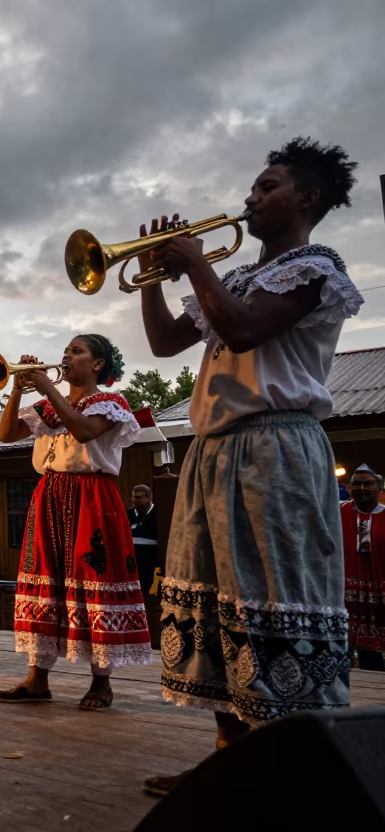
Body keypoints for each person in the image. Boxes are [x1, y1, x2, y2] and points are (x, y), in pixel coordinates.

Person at [137, 138, 362, 796]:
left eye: (267, 187)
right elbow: (163, 341)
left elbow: (240, 330)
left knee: (275, 602)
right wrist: (154, 277)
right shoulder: (232, 279)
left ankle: (291, 771)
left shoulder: (317, 265)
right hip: (213, 450)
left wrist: (197, 266)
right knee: (213, 606)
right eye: (253, 188)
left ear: (307, 199)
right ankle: (228, 764)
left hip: (275, 445)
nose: (250, 198)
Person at [0, 335, 151, 709]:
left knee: (95, 580)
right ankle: (37, 679)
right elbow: (5, 434)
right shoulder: (48, 407)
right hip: (49, 493)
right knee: (45, 579)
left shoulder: (111, 403)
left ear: (97, 364)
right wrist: (17, 389)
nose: (66, 357)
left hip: (92, 497)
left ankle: (101, 681)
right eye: (65, 351)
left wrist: (47, 384)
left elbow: (82, 429)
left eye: (76, 351)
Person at [343, 465, 385, 671]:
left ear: (379, 487)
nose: (362, 488)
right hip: (344, 592)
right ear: (349, 488)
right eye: (357, 484)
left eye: (368, 483)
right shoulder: (336, 514)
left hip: (379, 591)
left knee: (374, 658)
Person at [128, 484, 160, 597]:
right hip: (132, 556)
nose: (136, 500)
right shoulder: (128, 513)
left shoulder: (158, 513)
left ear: (149, 498)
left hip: (150, 556)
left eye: (139, 497)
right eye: (134, 497)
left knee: (146, 587)